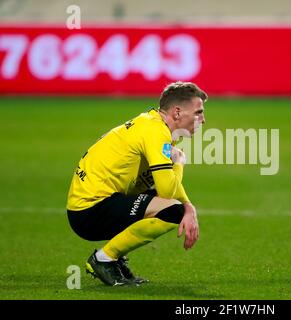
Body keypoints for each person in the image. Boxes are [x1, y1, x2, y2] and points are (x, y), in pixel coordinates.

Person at [66, 81, 207, 286]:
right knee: (172, 211)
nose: (203, 120)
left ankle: (112, 259)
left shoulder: (153, 124)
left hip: (97, 204)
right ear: (177, 112)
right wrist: (179, 163)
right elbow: (167, 191)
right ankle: (104, 259)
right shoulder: (156, 132)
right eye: (198, 112)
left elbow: (164, 187)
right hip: (89, 212)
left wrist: (189, 206)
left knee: (171, 204)